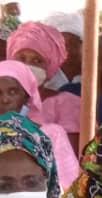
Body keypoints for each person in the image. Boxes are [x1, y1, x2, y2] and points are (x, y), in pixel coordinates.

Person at [0, 62, 77, 188]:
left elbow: (69, 186)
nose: (5, 100)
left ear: (27, 97)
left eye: (13, 92)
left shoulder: (51, 135)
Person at [7, 21, 79, 149]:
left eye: (37, 61)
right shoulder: (4, 101)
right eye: (21, 59)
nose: (27, 66)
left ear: (50, 67)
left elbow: (69, 154)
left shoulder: (68, 104)